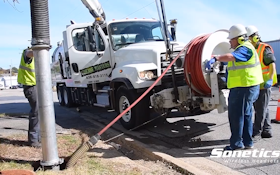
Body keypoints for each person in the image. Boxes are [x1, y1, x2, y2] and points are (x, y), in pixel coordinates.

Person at [206, 24, 263, 150]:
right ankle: (248, 142)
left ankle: (237, 144)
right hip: (246, 87)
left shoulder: (245, 49)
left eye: (231, 39)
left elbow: (232, 57)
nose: (229, 41)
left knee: (236, 115)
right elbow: (232, 60)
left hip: (243, 87)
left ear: (239, 39)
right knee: (246, 114)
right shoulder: (244, 48)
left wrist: (216, 58)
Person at [246, 25, 277, 139]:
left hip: (264, 84)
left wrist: (269, 79)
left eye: (248, 38)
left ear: (255, 37)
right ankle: (267, 130)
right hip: (257, 84)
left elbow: (272, 64)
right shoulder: (252, 49)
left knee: (260, 109)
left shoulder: (264, 48)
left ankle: (256, 131)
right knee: (263, 108)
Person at [17, 47, 41, 148]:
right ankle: (34, 140)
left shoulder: (36, 59)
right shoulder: (27, 53)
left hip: (36, 86)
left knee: (40, 112)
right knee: (36, 112)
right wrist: (40, 50)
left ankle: (38, 138)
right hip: (31, 87)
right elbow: (29, 53)